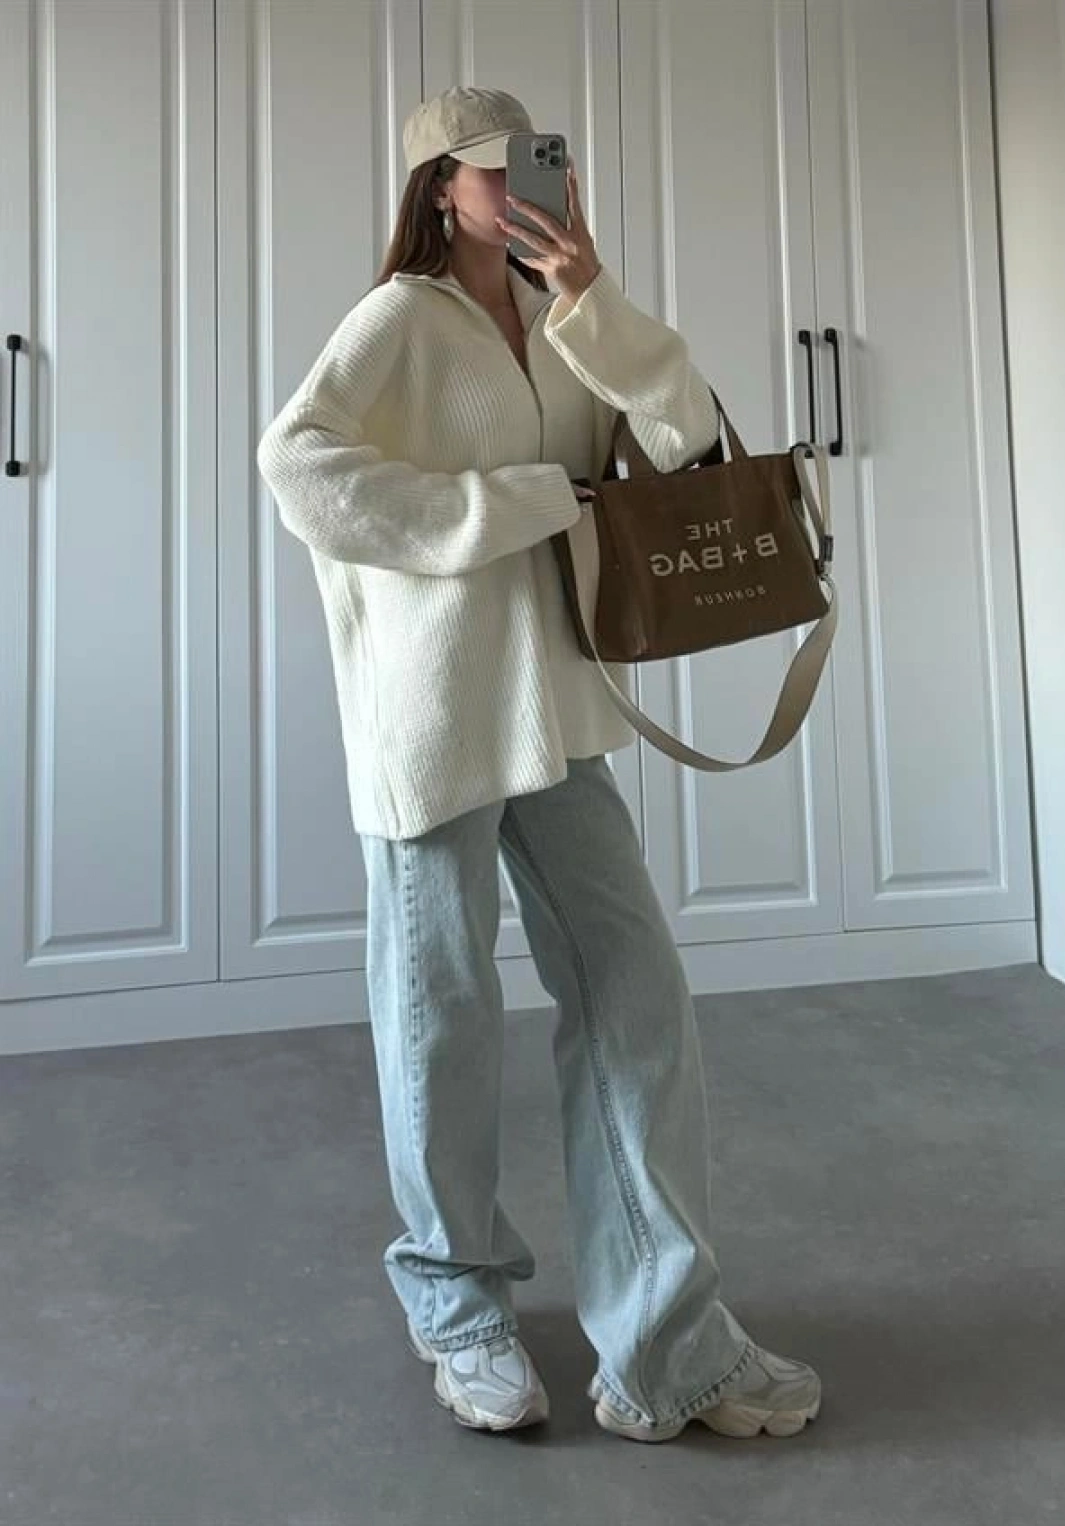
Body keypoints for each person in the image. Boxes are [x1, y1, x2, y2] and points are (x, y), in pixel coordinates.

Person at [256, 85, 822, 1444]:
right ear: (439, 189)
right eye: (493, 168)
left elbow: (685, 442)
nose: (520, 187)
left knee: (635, 993)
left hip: (558, 709)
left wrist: (594, 303)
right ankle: (458, 1308)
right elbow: (298, 468)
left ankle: (664, 1344)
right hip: (433, 715)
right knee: (439, 1015)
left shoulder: (566, 317)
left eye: (538, 163)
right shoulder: (398, 320)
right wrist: (502, 507)